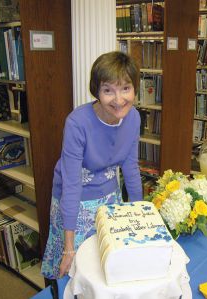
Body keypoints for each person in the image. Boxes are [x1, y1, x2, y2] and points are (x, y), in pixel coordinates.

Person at [41, 51, 143, 280]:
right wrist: (68, 247)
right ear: (96, 91)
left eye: (125, 88)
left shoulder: (134, 117)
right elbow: (72, 183)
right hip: (74, 201)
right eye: (108, 90)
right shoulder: (77, 123)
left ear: (135, 88)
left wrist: (140, 218)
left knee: (107, 266)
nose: (119, 100)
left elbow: (131, 168)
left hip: (109, 196)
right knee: (75, 272)